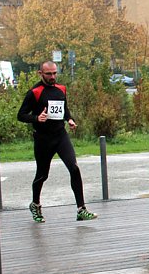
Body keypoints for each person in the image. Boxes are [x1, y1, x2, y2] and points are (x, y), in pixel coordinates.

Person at [17, 61, 97, 223]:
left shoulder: (61, 89)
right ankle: (35, 204)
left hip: (60, 136)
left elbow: (64, 108)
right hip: (43, 138)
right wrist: (36, 118)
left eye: (54, 73)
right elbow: (21, 115)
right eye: (49, 74)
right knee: (42, 175)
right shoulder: (35, 92)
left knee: (74, 168)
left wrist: (70, 119)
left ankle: (81, 209)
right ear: (41, 73)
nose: (52, 77)